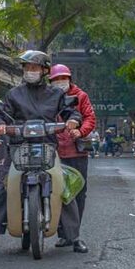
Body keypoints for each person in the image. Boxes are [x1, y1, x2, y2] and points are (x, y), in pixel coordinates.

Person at [0, 50, 86, 256]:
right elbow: (0, 115)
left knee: (63, 186)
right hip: (18, 148)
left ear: (45, 70)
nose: (30, 71)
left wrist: (73, 120)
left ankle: (75, 237)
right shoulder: (13, 94)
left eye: (34, 68)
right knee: (4, 186)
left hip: (47, 147)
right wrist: (1, 124)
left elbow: (71, 111)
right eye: (27, 68)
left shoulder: (56, 94)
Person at [49, 63, 97, 247]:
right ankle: (63, 233)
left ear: (69, 79)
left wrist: (81, 131)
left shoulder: (81, 96)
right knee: (58, 192)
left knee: (77, 193)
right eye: (56, 79)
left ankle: (74, 234)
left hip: (76, 152)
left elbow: (90, 118)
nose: (60, 82)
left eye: (63, 78)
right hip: (54, 151)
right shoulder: (48, 97)